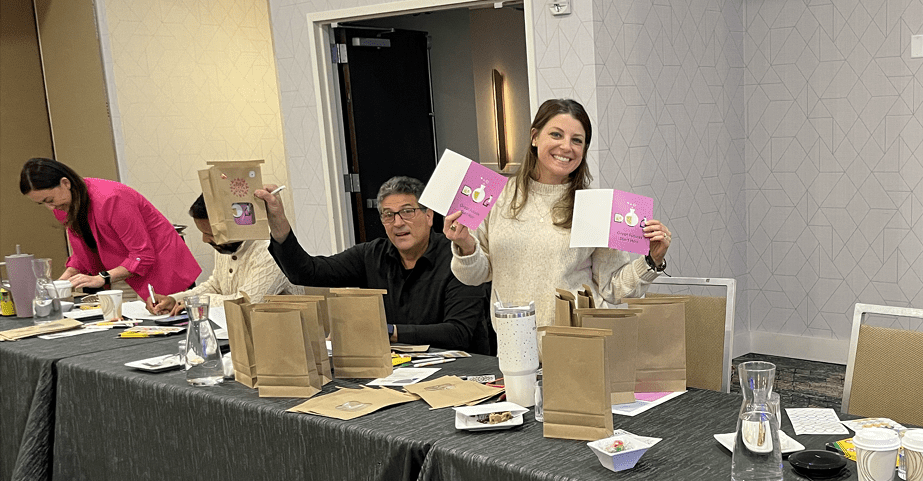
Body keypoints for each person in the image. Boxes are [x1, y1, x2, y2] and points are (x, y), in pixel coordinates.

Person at [443, 98, 671, 330]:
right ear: (534, 137)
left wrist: (652, 260)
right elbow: (475, 276)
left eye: (577, 140)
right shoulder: (497, 195)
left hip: (579, 344)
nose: (566, 147)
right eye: (556, 135)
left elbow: (613, 289)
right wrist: (465, 246)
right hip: (513, 343)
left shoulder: (594, 206)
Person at [259, 176, 490, 353]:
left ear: (429, 216)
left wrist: (388, 331)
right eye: (388, 215)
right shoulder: (371, 254)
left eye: (407, 212)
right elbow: (306, 273)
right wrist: (278, 221)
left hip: (460, 373)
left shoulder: (459, 257)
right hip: (396, 371)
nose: (398, 223)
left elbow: (459, 333)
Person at [19, 157, 199, 299]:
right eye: (42, 204)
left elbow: (142, 255)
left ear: (66, 183)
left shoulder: (112, 199)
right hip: (122, 273)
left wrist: (101, 278)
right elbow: (83, 252)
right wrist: (59, 284)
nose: (50, 208)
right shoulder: (63, 206)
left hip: (161, 269)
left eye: (50, 200)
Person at [147, 195, 301, 314]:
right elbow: (216, 285)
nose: (205, 239)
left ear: (236, 227)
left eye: (211, 234)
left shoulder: (271, 249)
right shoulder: (227, 246)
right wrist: (174, 299)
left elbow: (245, 302)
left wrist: (192, 301)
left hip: (282, 341)